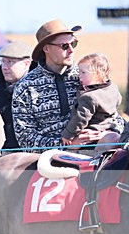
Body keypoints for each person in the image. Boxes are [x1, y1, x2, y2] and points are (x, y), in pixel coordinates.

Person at [12, 19, 82, 150]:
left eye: (74, 43)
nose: (71, 50)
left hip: (92, 158)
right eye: (65, 46)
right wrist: (67, 146)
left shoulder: (86, 77)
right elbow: (25, 139)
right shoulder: (25, 87)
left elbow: (112, 117)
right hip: (45, 164)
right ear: (46, 48)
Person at [60, 52, 123, 145]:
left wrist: (68, 134)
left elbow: (80, 118)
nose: (79, 75)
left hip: (89, 136)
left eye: (83, 72)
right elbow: (119, 100)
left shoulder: (89, 97)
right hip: (107, 129)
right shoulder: (113, 87)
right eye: (79, 72)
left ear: (97, 73)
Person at [0, 41, 34, 150]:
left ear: (26, 64)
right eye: (3, 62)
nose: (4, 67)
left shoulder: (39, 93)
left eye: (10, 62)